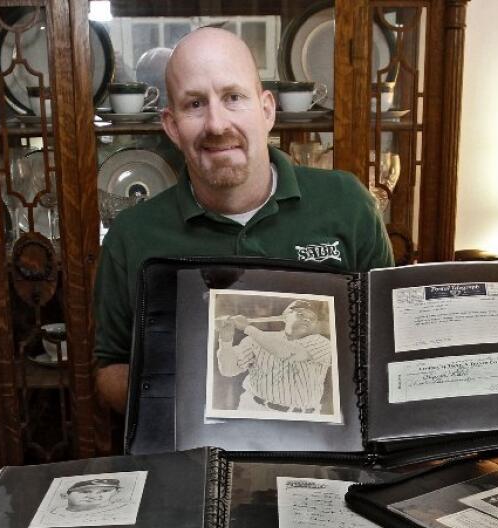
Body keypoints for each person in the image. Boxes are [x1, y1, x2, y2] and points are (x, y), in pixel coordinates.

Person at [93, 27, 393, 413]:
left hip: (326, 456)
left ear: (267, 110)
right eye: (195, 104)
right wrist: (185, 381)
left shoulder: (347, 204)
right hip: (193, 457)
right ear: (171, 126)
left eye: (233, 97)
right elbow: (109, 370)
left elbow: (388, 343)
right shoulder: (131, 236)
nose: (217, 125)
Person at [215, 297, 333, 414]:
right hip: (255, 408)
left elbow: (289, 352)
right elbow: (228, 370)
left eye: (312, 318)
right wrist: (225, 340)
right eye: (301, 314)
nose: (307, 319)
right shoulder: (256, 340)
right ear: (285, 317)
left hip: (302, 417)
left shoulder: (322, 343)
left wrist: (246, 328)